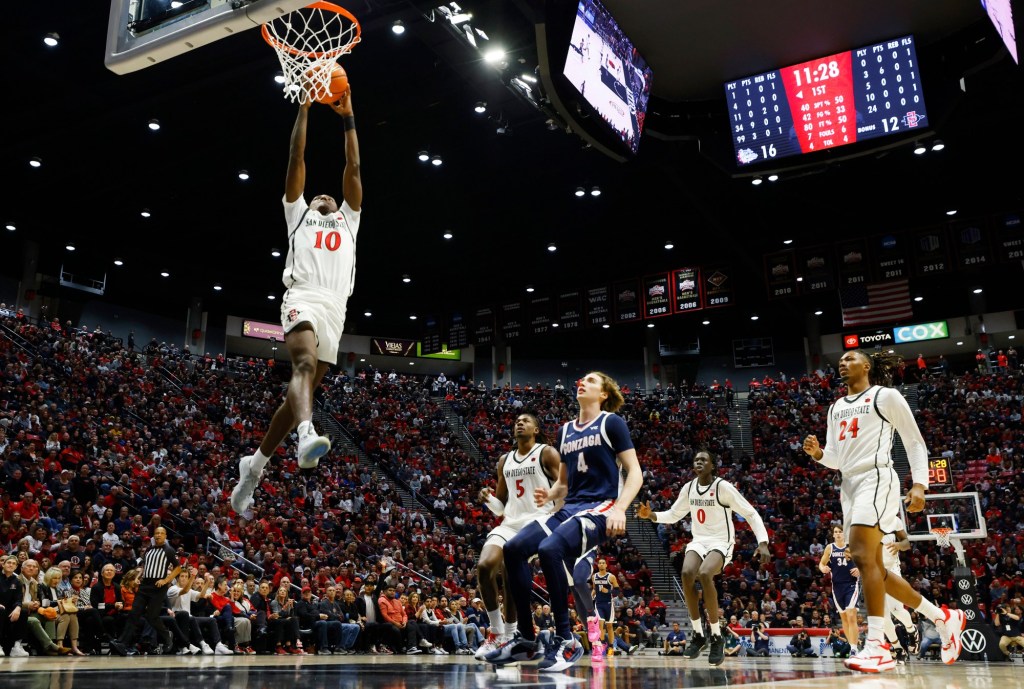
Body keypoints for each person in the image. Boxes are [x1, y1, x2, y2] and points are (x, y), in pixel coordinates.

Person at [230, 87, 362, 515]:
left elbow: (353, 166)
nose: (323, 195)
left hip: (335, 309)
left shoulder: (349, 218)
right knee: (303, 368)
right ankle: (307, 433)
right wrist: (304, 107)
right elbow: (296, 159)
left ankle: (256, 464)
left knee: (296, 394)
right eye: (318, 194)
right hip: (302, 295)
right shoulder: (297, 213)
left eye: (328, 195)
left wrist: (348, 118)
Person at [803, 350, 966, 673]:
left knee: (863, 557)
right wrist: (820, 453)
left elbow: (914, 440)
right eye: (842, 359)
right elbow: (837, 457)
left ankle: (878, 645)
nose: (843, 362)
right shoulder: (835, 408)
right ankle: (943, 617)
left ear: (867, 366)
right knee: (874, 567)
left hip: (876, 477)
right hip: (848, 486)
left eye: (851, 358)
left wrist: (920, 484)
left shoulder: (884, 396)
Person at [487, 371, 643, 673]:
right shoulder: (566, 430)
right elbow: (564, 481)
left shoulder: (612, 423)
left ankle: (565, 638)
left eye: (591, 381)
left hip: (601, 506)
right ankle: (526, 640)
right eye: (581, 380)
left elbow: (634, 471)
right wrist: (553, 493)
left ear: (604, 394)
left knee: (549, 549)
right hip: (569, 507)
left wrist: (621, 508)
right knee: (514, 549)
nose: (582, 383)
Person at [637, 450, 770, 666]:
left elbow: (751, 513)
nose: (699, 462)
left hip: (721, 542)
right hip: (699, 541)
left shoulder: (723, 487)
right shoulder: (689, 488)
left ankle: (716, 637)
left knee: (705, 573)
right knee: (687, 573)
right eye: (696, 459)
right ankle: (698, 634)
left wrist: (762, 542)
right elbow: (674, 514)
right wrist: (651, 515)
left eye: (704, 459)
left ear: (712, 465)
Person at [474, 412, 560, 660]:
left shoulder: (547, 453)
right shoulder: (504, 460)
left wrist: (556, 516)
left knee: (511, 573)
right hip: (509, 523)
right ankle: (496, 633)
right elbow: (501, 506)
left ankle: (513, 634)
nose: (520, 423)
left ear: (536, 429)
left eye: (526, 421)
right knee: (485, 566)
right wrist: (488, 499)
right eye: (516, 421)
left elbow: (563, 486)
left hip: (537, 523)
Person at [109, 526, 181, 656]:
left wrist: (166, 580)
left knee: (152, 617)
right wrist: (137, 577)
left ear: (165, 536)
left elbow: (178, 568)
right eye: (156, 533)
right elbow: (144, 566)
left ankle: (167, 637)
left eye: (161, 533)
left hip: (158, 586)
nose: (158, 535)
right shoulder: (148, 550)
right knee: (133, 614)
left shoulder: (169, 550)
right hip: (144, 585)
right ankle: (122, 643)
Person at [881, 521, 920, 660]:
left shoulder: (893, 520)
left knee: (896, 610)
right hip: (873, 572)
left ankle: (911, 630)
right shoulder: (864, 520)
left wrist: (898, 545)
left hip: (892, 569)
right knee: (882, 618)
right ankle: (897, 648)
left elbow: (906, 543)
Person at [819, 524, 861, 653]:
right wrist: (823, 568)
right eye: (836, 532)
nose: (838, 534)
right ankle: (852, 645)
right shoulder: (830, 548)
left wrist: (860, 569)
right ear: (833, 534)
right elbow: (821, 563)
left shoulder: (852, 546)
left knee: (851, 615)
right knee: (844, 619)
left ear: (844, 534)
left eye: (840, 532)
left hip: (851, 585)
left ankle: (854, 649)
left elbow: (865, 562)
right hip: (836, 586)